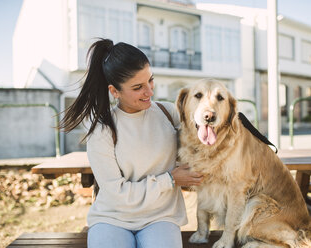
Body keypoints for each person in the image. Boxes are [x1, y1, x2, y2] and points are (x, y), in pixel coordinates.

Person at [58, 38, 204, 248]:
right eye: (138, 87)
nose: (149, 92)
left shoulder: (168, 112)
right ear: (114, 91)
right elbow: (116, 194)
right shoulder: (103, 129)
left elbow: (197, 149)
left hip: (160, 217)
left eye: (150, 81)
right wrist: (169, 180)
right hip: (112, 219)